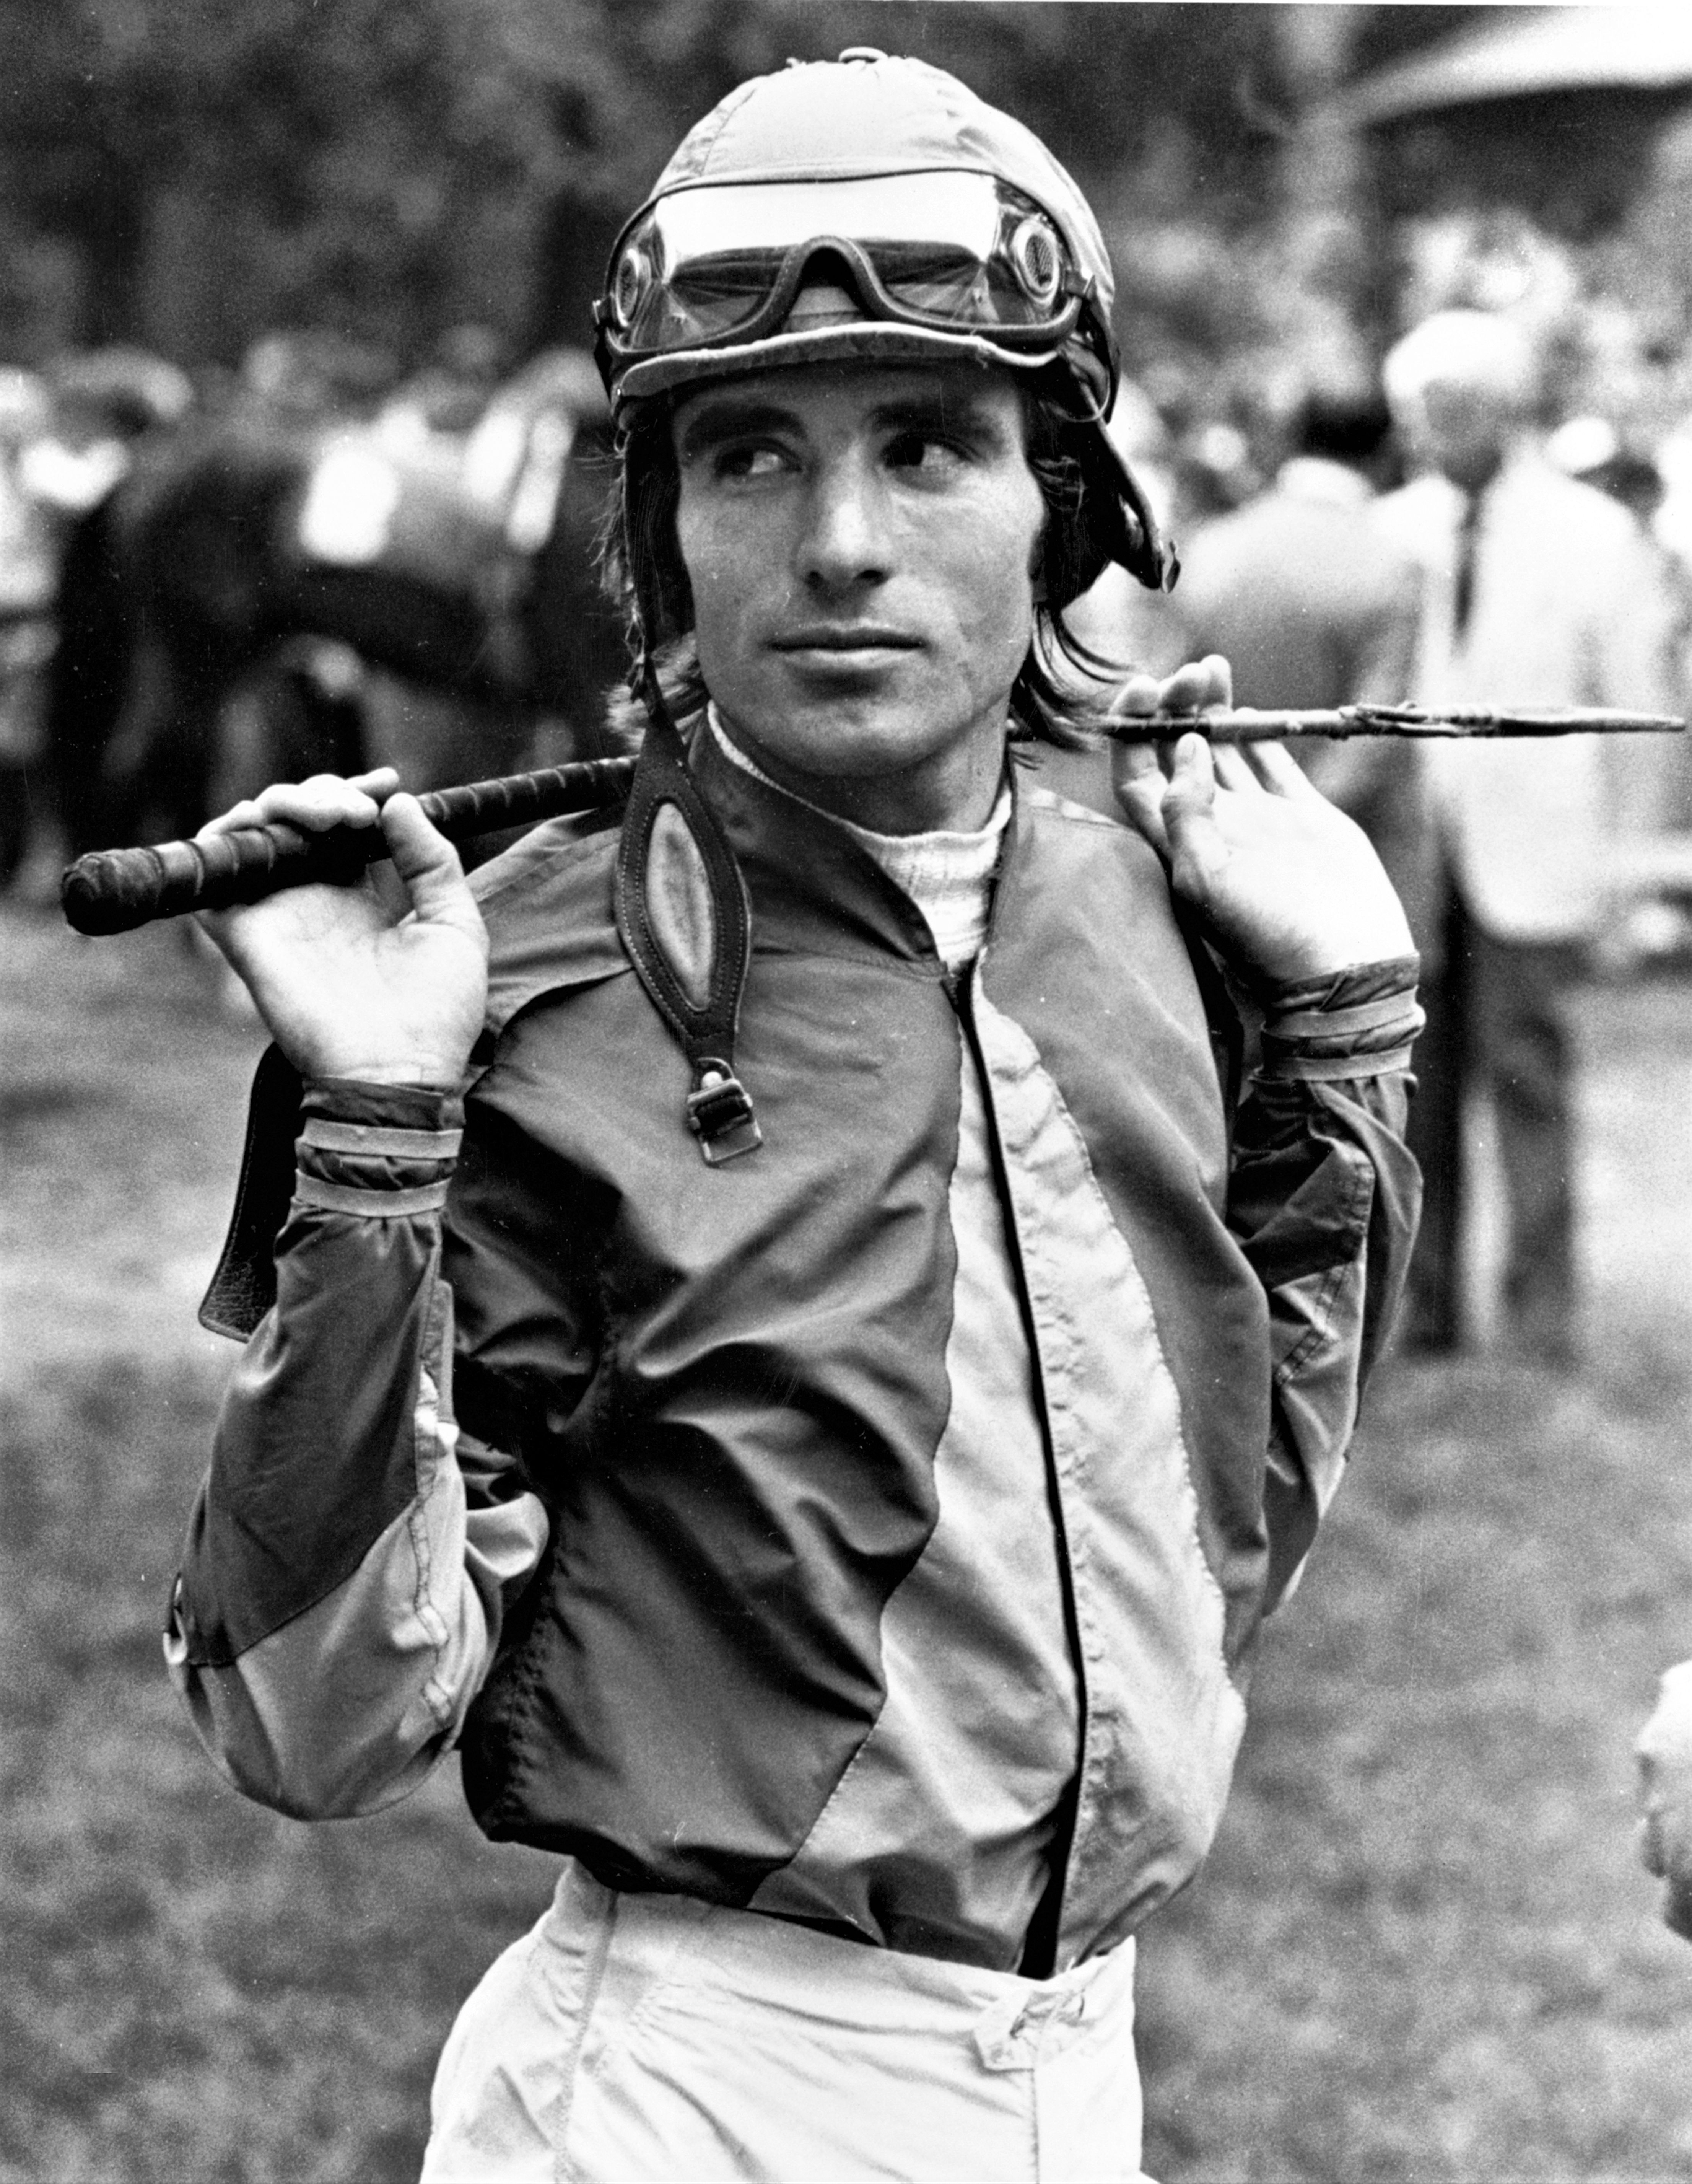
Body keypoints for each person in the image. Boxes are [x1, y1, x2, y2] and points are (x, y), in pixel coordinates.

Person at [165, 52, 1422, 2181]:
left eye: (925, 446)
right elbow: (309, 1728)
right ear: (659, 532)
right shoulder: (524, 989)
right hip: (692, 2099)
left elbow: (1218, 1547)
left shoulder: (1154, 900)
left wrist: (1339, 1033)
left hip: (1076, 2077)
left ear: (1070, 501)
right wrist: (378, 1126)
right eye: (751, 456)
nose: (840, 545)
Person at [1376, 309, 1677, 1363]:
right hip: (1415, 861)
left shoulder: (1594, 537)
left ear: (1504, 409)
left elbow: (1641, 716)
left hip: (1538, 858)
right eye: (1414, 410)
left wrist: (1632, 877)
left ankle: (1544, 1318)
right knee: (1417, 1092)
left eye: (1448, 408)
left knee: (1530, 1080)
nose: (1426, 429)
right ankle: (1424, 1315)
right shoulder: (1392, 529)